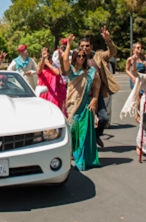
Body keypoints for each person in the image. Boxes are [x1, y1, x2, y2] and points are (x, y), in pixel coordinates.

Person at [61, 35, 101, 171]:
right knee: (73, 132)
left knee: (83, 133)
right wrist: (68, 45)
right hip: (72, 106)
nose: (82, 58)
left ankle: (82, 159)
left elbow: (96, 87)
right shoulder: (71, 71)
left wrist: (95, 99)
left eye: (84, 56)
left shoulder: (90, 72)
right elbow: (65, 59)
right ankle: (72, 154)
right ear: (75, 57)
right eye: (79, 56)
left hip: (86, 105)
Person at [79, 27, 121, 148]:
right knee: (83, 122)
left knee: (104, 118)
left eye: (87, 46)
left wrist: (108, 40)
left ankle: (96, 135)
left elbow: (112, 53)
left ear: (91, 47)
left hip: (97, 95)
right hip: (82, 96)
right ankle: (80, 148)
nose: (84, 48)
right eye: (82, 46)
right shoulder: (78, 58)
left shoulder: (98, 56)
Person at [37, 47, 67, 115]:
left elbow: (57, 73)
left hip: (53, 95)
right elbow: (39, 69)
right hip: (43, 94)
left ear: (51, 61)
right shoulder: (42, 70)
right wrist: (43, 58)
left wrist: (48, 64)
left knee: (54, 112)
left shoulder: (53, 69)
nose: (45, 61)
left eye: (48, 60)